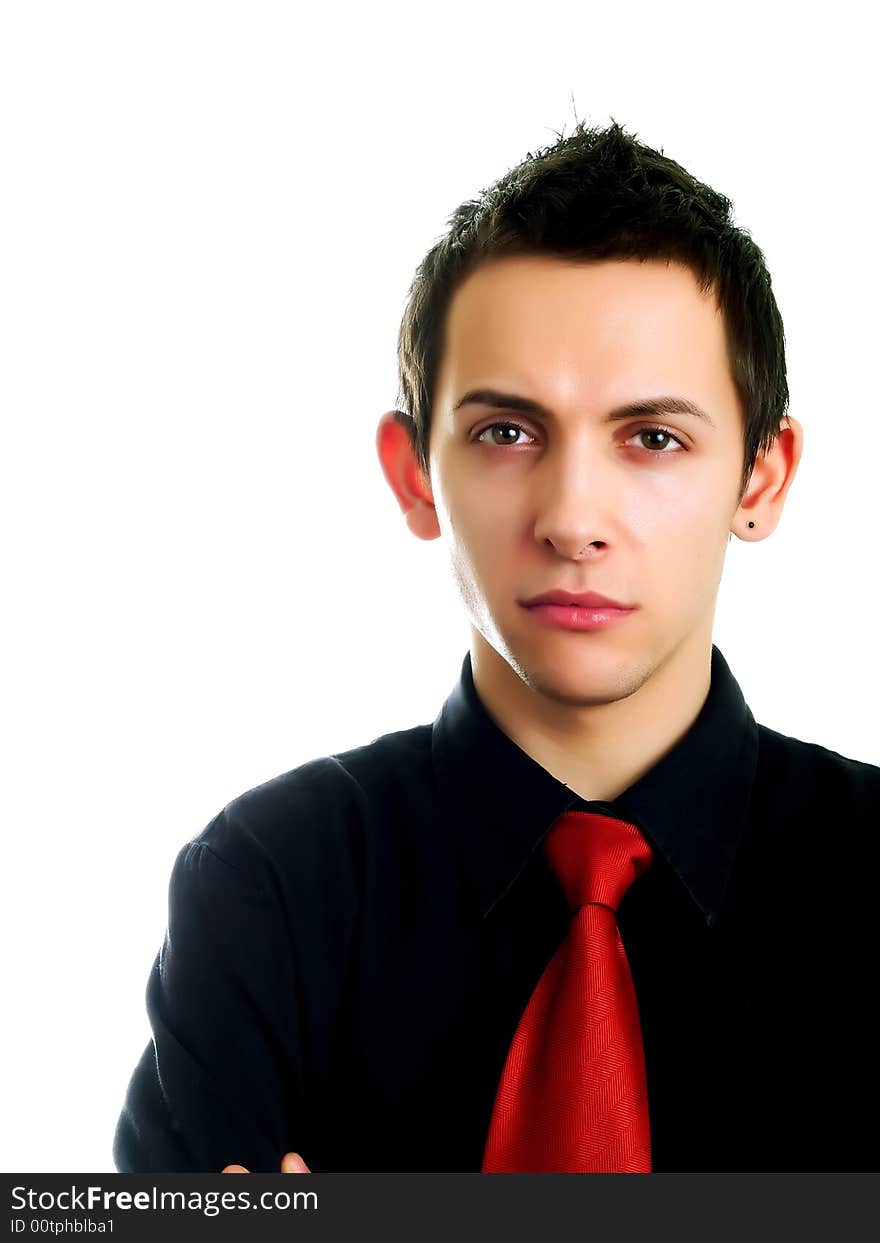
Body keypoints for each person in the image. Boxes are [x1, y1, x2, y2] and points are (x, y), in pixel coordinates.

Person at [113, 118, 879, 1175]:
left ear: (761, 478)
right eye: (506, 433)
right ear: (414, 473)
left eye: (652, 438)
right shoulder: (268, 888)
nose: (572, 519)